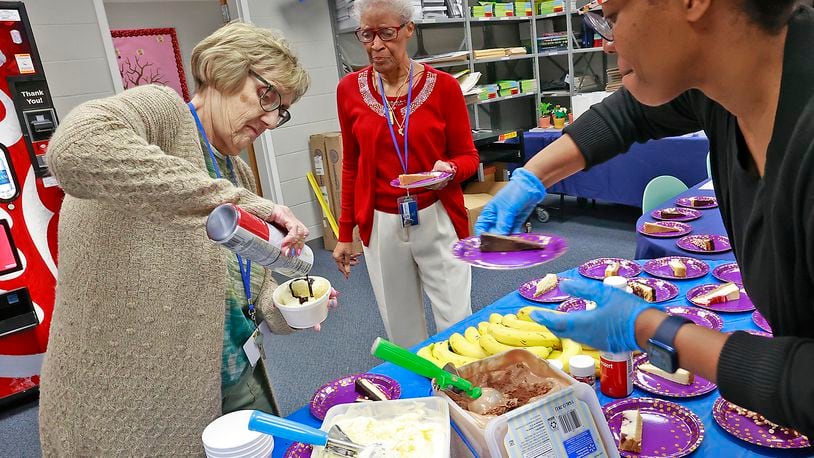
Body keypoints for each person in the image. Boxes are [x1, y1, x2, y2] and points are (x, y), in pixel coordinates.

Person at [476, 0, 814, 438]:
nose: (609, 41)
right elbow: (629, 113)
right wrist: (532, 176)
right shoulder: (723, 82)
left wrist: (656, 330)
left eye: (613, 16)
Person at [39, 22, 330, 455]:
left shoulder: (238, 170)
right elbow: (74, 149)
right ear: (221, 70)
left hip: (232, 378)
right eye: (267, 96)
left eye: (281, 109)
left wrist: (286, 307)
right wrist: (248, 204)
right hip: (134, 402)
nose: (271, 119)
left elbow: (244, 284)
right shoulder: (162, 113)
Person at [332, 0, 479, 348]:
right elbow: (351, 164)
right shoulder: (349, 90)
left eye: (386, 33)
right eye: (366, 34)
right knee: (402, 331)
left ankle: (462, 397)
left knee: (458, 324)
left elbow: (469, 157)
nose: (376, 45)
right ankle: (418, 400)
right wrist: (344, 230)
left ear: (409, 29)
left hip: (437, 215)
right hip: (381, 223)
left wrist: (452, 169)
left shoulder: (444, 87)